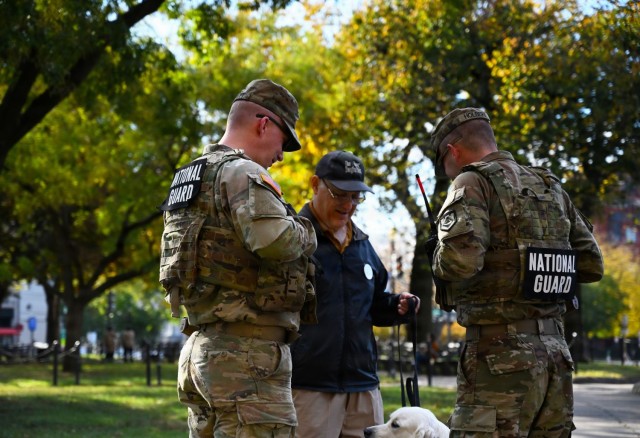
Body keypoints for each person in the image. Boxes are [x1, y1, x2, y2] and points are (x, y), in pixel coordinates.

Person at [430, 108, 604, 437]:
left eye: (443, 161)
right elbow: (592, 264)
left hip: (500, 357)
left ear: (453, 150)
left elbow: (460, 262)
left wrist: (437, 253)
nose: (446, 170)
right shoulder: (550, 186)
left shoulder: (471, 181)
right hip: (556, 355)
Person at [158, 79, 317, 437]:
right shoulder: (243, 172)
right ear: (264, 124)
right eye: (283, 142)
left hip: (202, 349)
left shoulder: (189, 178)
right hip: (247, 360)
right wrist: (307, 228)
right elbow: (275, 241)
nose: (280, 155)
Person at [291, 151, 421, 437]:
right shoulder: (291, 238)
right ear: (315, 185)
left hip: (363, 387)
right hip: (310, 387)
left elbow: (373, 305)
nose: (348, 205)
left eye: (356, 197)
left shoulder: (363, 244)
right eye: (340, 194)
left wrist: (396, 306)